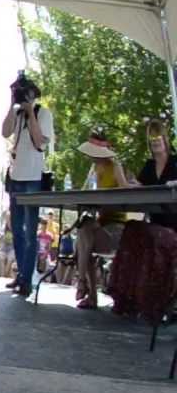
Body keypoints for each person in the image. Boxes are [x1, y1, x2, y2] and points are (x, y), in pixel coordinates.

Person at [2, 74, 55, 297]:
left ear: (34, 94)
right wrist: (11, 104)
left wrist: (31, 111)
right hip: (16, 176)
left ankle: (27, 279)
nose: (23, 96)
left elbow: (40, 142)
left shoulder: (43, 113)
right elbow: (5, 132)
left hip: (33, 176)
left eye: (26, 93)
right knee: (16, 229)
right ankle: (21, 275)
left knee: (30, 231)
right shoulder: (17, 114)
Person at [74, 132, 128, 309]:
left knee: (83, 239)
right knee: (84, 232)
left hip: (116, 225)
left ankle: (85, 287)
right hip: (99, 223)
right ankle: (84, 284)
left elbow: (125, 193)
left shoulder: (115, 166)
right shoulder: (94, 169)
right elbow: (85, 194)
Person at [138, 118, 177, 230]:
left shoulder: (175, 161)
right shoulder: (149, 165)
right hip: (156, 227)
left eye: (158, 137)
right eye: (152, 138)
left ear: (165, 139)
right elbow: (138, 187)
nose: (155, 141)